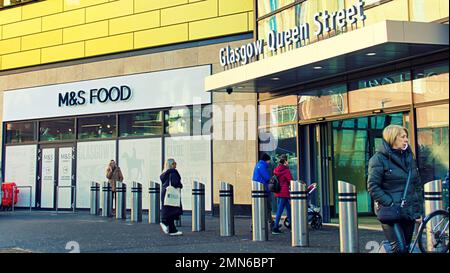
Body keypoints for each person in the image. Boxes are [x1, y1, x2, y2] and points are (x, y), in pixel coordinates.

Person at [367, 125, 424, 253]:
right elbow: (373, 186)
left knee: (406, 248)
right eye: (402, 137)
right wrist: (390, 202)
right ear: (393, 138)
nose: (406, 140)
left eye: (406, 137)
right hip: (391, 212)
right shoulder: (378, 159)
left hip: (408, 212)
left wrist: (418, 210)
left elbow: (416, 185)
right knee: (399, 249)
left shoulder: (409, 157)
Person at [160, 158, 183, 236]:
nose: (176, 164)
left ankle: (172, 230)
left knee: (169, 211)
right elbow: (175, 183)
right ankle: (164, 222)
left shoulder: (164, 173)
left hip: (166, 193)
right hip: (172, 194)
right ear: (171, 164)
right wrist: (180, 185)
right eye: (174, 163)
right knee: (172, 210)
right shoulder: (173, 172)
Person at [272, 154, 292, 234]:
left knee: (288, 208)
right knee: (280, 210)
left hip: (279, 191)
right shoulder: (286, 170)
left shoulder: (276, 169)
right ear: (285, 161)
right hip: (284, 191)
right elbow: (290, 180)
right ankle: (275, 227)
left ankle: (292, 224)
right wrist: (288, 168)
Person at [252, 153, 274, 227]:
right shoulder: (262, 166)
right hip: (263, 190)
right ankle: (270, 224)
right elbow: (267, 177)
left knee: (259, 207)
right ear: (266, 160)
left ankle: (255, 225)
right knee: (267, 207)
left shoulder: (258, 165)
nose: (269, 162)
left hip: (258, 190)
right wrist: (272, 180)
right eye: (269, 161)